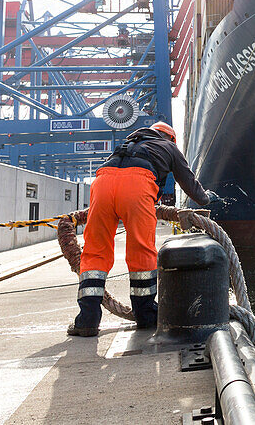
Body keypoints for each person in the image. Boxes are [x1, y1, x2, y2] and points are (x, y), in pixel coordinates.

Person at [68, 121, 219, 337]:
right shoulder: (169, 147)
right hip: (137, 187)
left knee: (94, 253)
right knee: (141, 251)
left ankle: (87, 321)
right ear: (171, 138)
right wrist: (206, 199)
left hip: (102, 184)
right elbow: (189, 183)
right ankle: (146, 316)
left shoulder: (128, 144)